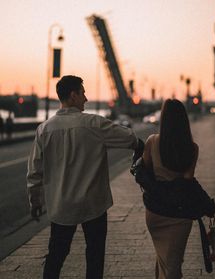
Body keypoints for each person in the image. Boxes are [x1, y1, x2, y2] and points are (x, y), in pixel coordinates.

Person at [27, 75, 143, 279]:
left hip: (62, 206)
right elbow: (130, 138)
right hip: (93, 205)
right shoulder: (94, 124)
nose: (86, 98)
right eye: (83, 93)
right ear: (73, 96)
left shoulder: (43, 130)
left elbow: (35, 173)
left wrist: (35, 202)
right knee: (95, 256)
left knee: (56, 256)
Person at [142, 99, 199, 279]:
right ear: (184, 120)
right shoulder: (192, 148)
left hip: (156, 212)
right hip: (180, 214)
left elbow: (145, 170)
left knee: (163, 258)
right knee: (173, 262)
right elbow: (188, 179)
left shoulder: (152, 142)